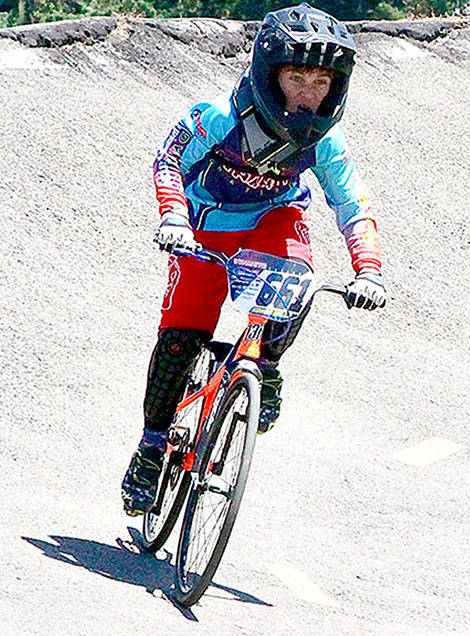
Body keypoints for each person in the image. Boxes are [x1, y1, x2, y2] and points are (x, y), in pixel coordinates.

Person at [121, 3, 386, 516]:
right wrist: (173, 216)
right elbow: (168, 158)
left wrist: (368, 269)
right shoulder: (220, 117)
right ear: (269, 74)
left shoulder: (326, 141)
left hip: (272, 220)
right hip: (203, 227)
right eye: (296, 78)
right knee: (179, 340)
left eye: (322, 82)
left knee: (298, 280)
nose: (309, 94)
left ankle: (265, 364)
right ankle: (151, 446)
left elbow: (352, 202)